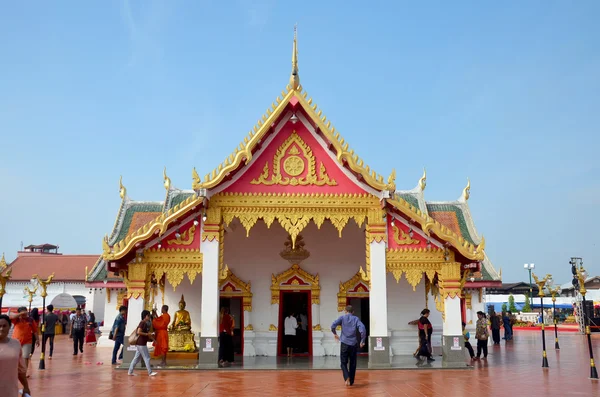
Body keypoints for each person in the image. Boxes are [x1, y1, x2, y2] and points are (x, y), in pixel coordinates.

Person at [331, 305, 366, 387]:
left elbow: (333, 325)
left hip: (344, 343)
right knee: (353, 363)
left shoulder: (342, 318)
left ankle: (346, 377)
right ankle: (351, 381)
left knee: (343, 362)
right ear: (353, 312)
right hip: (353, 344)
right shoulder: (356, 319)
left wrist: (335, 333)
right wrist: (362, 340)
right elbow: (363, 329)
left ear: (345, 311)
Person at [0, 314, 32, 397]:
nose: (1, 329)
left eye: (4, 326)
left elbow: (20, 370)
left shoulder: (16, 344)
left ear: (10, 327)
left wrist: (26, 387)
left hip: (10, 390)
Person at [9, 307, 39, 376]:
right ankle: (15, 371)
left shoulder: (30, 320)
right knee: (15, 357)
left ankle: (24, 373)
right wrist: (20, 314)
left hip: (27, 342)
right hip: (16, 341)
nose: (25, 314)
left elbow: (35, 331)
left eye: (25, 312)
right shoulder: (16, 319)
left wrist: (37, 339)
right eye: (23, 313)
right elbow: (11, 317)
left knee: (25, 357)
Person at [128, 310, 157, 377]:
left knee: (136, 358)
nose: (149, 317)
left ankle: (130, 371)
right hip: (141, 343)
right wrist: (147, 334)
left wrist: (154, 340)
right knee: (147, 357)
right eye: (148, 315)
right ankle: (150, 372)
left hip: (141, 343)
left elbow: (148, 333)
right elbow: (139, 332)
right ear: (145, 316)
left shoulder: (145, 323)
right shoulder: (143, 323)